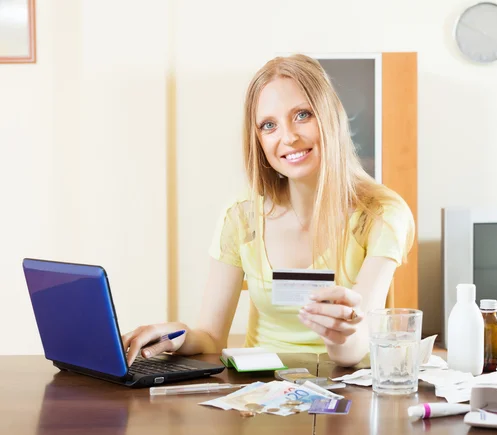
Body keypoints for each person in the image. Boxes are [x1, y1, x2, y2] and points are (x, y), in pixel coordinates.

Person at [122, 54, 415, 367]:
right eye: (269, 125)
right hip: (262, 392)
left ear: (332, 117)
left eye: (303, 115)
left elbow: (356, 348)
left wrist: (338, 334)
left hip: (348, 391)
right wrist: (174, 335)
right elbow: (209, 337)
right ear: (258, 139)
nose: (288, 137)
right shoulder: (242, 217)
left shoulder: (382, 214)